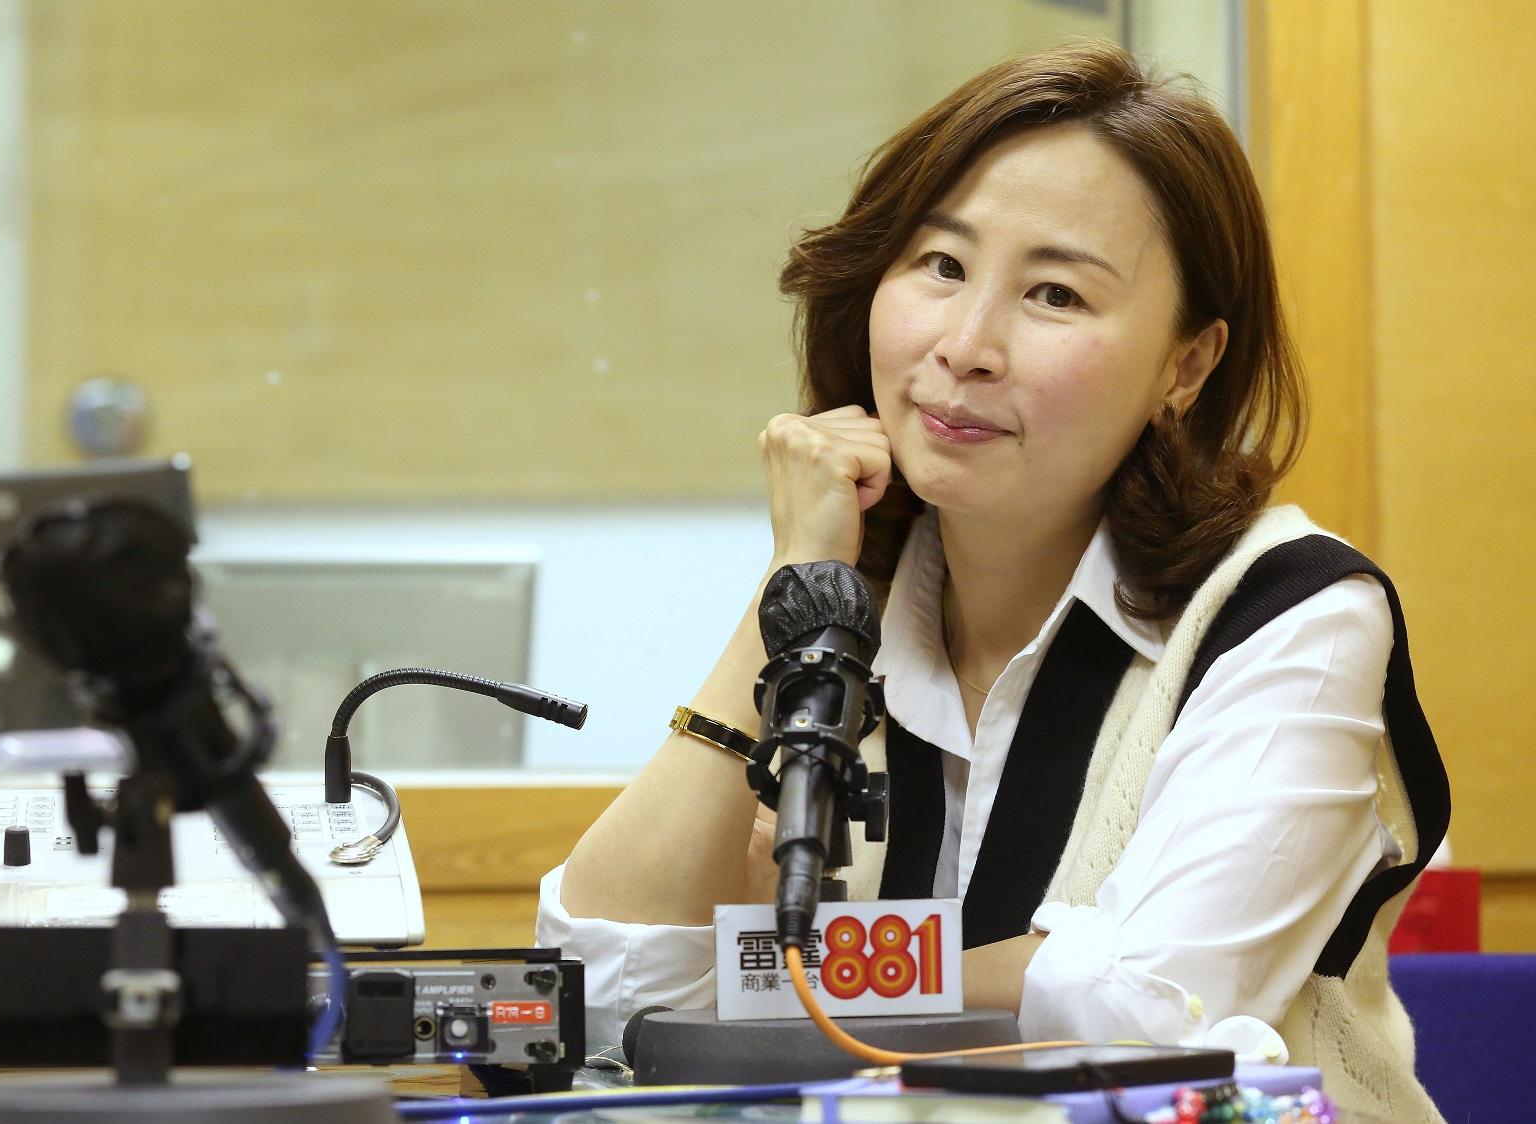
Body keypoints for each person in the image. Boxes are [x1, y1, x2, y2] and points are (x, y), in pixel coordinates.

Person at [539, 40, 1446, 1122]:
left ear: (1185, 366)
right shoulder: (853, 614)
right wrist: (796, 578)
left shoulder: (1288, 614)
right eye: (940, 265)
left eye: (1054, 293)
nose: (966, 344)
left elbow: (1148, 1009)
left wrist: (804, 980)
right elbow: (605, 993)